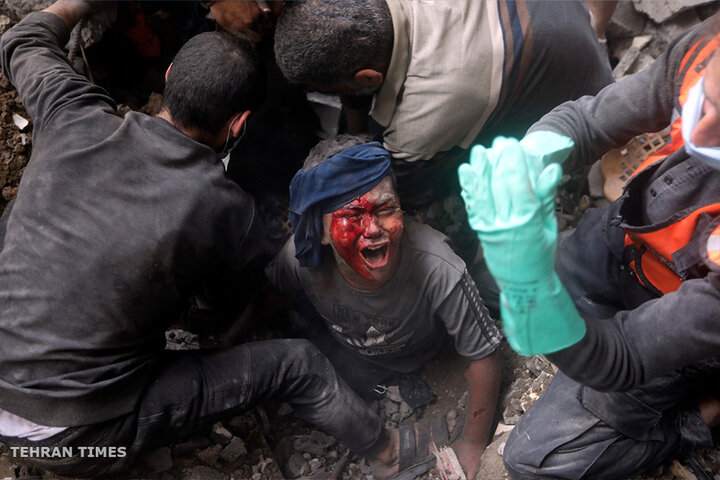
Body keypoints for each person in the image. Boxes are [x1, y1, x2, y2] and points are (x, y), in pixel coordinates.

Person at [0, 2, 403, 477]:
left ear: (170, 75)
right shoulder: (223, 206)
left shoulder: (72, 113)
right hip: (74, 441)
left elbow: (20, 41)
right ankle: (389, 449)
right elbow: (276, 269)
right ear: (240, 124)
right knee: (299, 364)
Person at [458, 14, 720, 480]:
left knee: (536, 460)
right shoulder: (708, 47)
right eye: (711, 102)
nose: (699, 133)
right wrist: (534, 153)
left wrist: (536, 295)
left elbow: (623, 355)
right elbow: (588, 121)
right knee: (481, 284)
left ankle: (694, 421)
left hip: (681, 314)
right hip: (626, 241)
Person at [273, 0, 615, 317]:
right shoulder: (381, 21)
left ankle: (560, 198)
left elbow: (408, 184)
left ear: (368, 78)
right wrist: (354, 112)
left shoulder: (426, 116)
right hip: (563, 21)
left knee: (433, 207)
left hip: (581, 103)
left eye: (336, 92)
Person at [264, 134, 503, 479]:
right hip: (353, 358)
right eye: (352, 216)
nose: (373, 229)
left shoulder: (438, 266)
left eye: (386, 209)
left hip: (423, 353)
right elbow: (272, 296)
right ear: (320, 232)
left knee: (493, 284)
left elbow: (484, 352)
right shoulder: (301, 261)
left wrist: (473, 441)